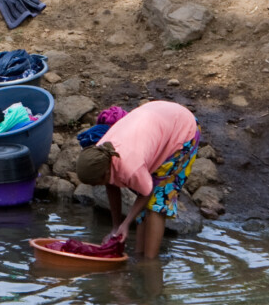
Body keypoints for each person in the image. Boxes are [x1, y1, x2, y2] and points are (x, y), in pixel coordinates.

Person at [72, 100, 198, 259]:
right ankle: (139, 256)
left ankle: (149, 263)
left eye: (95, 183)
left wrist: (126, 224)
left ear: (104, 173)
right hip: (159, 118)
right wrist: (116, 228)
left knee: (157, 202)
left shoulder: (131, 166)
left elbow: (147, 191)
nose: (96, 186)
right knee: (141, 209)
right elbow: (111, 186)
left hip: (182, 130)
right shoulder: (103, 151)